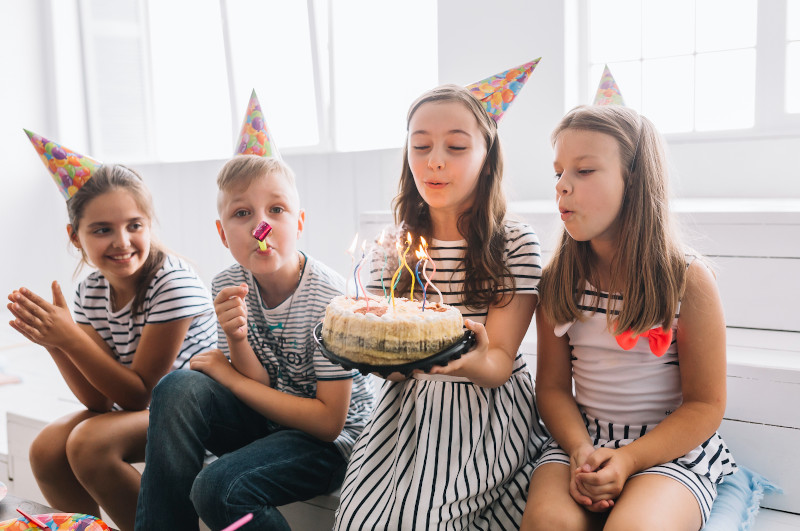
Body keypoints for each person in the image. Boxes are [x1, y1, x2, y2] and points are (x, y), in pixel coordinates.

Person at [334, 61, 549, 530]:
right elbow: (386, 362)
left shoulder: (513, 243)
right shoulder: (393, 249)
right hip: (403, 417)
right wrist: (377, 354)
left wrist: (458, 357)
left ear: (486, 157)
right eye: (420, 145)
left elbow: (495, 367)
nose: (434, 160)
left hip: (483, 418)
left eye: (455, 146)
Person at [520, 105, 737, 531]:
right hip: (580, 440)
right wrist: (582, 450)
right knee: (548, 523)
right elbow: (551, 388)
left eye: (584, 171)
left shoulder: (687, 281)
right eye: (559, 172)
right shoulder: (559, 280)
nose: (562, 186)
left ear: (634, 180)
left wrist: (629, 459)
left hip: (667, 447)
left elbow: (705, 405)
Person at [135, 155, 375, 531]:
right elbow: (257, 385)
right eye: (242, 213)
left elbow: (329, 423)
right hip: (268, 421)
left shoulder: (331, 299)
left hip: (331, 443)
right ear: (222, 232)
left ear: (298, 223)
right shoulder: (227, 284)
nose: (260, 224)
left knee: (219, 489)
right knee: (176, 387)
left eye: (276, 209)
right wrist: (237, 337)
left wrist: (227, 377)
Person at [9, 133, 216, 531]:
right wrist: (56, 344)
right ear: (75, 237)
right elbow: (99, 400)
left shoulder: (173, 283)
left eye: (133, 225)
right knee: (47, 449)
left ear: (149, 225)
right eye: (102, 230)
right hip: (147, 410)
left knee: (89, 445)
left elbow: (138, 393)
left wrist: (70, 337)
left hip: (197, 414)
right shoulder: (90, 290)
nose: (122, 242)